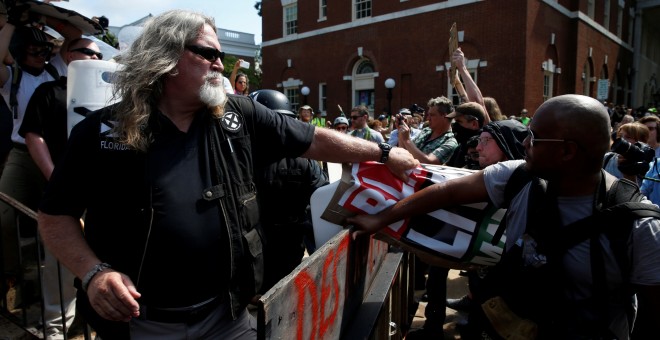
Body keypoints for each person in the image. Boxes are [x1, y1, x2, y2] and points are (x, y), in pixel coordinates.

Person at [36, 10, 418, 339]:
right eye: (208, 54)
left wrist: (384, 152)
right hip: (145, 324)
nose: (221, 63)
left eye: (221, 54)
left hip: (229, 317)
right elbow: (54, 216)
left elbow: (313, 140)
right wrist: (93, 273)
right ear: (165, 57)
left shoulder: (238, 115)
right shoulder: (102, 132)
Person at [348, 94, 660, 339]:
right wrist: (383, 218)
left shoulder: (639, 225)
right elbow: (447, 192)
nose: (524, 144)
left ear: (567, 151)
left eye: (534, 138)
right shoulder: (517, 176)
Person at [17, 37, 101, 339]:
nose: (93, 57)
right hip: (63, 194)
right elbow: (33, 134)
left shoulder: (109, 96)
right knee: (61, 261)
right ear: (68, 54)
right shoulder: (49, 91)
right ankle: (55, 327)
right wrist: (56, 178)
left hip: (98, 194)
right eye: (86, 51)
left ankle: (91, 322)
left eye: (98, 54)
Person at [1, 4, 80, 310]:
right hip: (22, 154)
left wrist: (40, 18)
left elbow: (75, 37)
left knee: (53, 223)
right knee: (6, 218)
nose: (40, 53)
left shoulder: (56, 70)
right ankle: (12, 277)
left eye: (44, 48)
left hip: (57, 152)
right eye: (32, 48)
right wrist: (11, 23)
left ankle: (50, 285)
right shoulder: (12, 76)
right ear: (20, 50)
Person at [248, 89, 329, 292]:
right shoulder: (304, 160)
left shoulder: (242, 159)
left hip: (258, 248)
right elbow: (322, 199)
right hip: (289, 244)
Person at [398, 97, 457, 165]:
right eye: (428, 115)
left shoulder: (450, 142)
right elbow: (404, 153)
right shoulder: (426, 131)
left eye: (432, 115)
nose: (428, 118)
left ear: (444, 116)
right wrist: (401, 130)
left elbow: (429, 162)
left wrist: (407, 140)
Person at [445, 102, 486, 168]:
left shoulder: (482, 148)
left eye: (459, 122)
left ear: (474, 124)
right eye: (455, 121)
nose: (455, 125)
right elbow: (447, 167)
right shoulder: (461, 146)